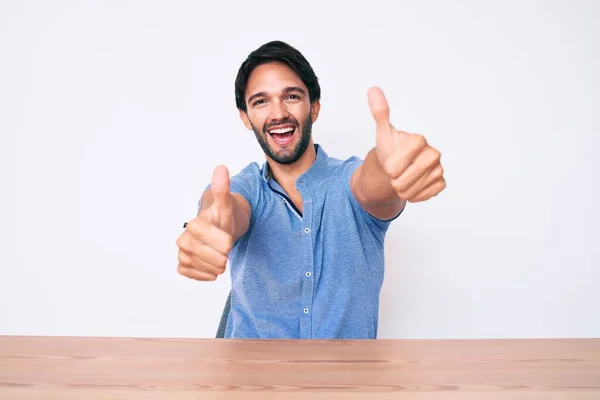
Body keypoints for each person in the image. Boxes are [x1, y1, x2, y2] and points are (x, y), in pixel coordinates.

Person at [176, 40, 445, 339]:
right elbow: (223, 208)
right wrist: (212, 224)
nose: (278, 113)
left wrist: (392, 165)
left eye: (291, 96)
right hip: (251, 380)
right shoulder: (246, 188)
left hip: (343, 381)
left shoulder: (348, 182)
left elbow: (374, 186)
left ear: (313, 107)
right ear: (245, 116)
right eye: (260, 101)